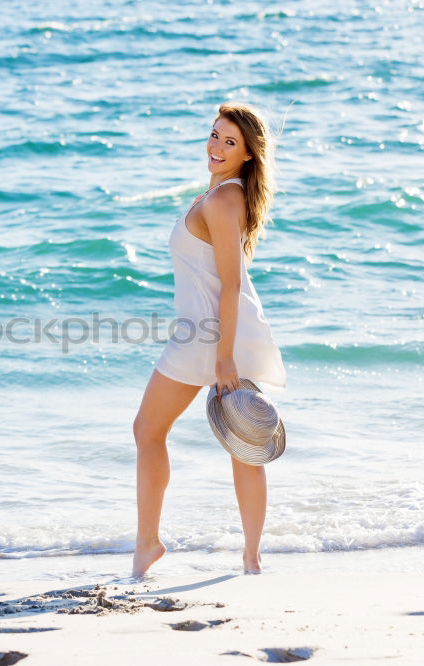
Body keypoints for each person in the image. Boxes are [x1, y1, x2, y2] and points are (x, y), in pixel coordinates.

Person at [132, 102, 287, 578]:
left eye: (230, 142)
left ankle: (148, 545)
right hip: (220, 332)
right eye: (215, 135)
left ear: (247, 155)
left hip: (208, 336)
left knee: (147, 432)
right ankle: (251, 559)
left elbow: (231, 284)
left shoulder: (221, 201)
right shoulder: (225, 194)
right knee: (242, 444)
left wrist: (223, 359)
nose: (217, 147)